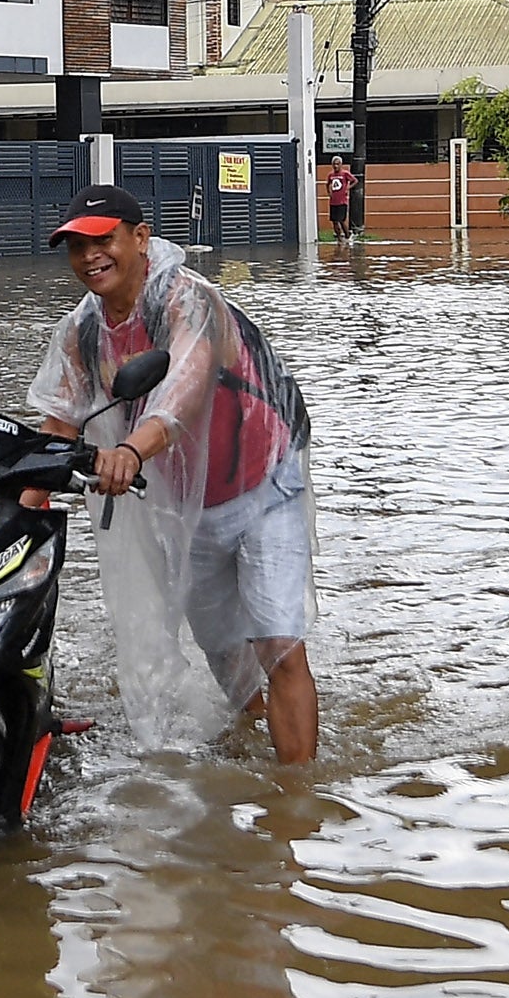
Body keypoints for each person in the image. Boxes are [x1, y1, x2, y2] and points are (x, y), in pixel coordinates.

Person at [30, 182, 323, 763]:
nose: (90, 256)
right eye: (75, 246)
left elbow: (182, 389)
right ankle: (255, 739)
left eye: (102, 241)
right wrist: (9, 505)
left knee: (279, 645)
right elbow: (58, 426)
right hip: (186, 507)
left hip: (266, 483)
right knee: (227, 656)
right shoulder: (81, 332)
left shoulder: (190, 299)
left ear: (141, 239)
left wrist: (133, 452)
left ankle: (298, 808)